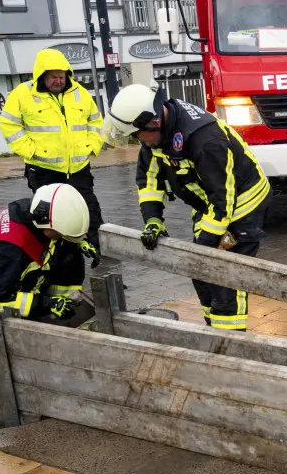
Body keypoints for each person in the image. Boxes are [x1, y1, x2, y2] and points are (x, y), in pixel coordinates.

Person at [104, 84, 270, 332]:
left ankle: (231, 345)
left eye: (135, 135)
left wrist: (207, 242)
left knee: (224, 276)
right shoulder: (155, 136)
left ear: (154, 124)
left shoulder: (205, 139)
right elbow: (149, 181)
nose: (136, 141)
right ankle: (213, 330)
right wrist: (153, 220)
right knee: (200, 271)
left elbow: (222, 199)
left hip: (243, 203)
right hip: (208, 203)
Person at [0, 183, 92, 369]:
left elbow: (58, 237)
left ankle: (58, 316)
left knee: (70, 253)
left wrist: (78, 242)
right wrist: (47, 304)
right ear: (45, 224)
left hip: (14, 282)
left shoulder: (37, 211)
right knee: (32, 343)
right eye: (59, 233)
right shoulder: (9, 250)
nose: (59, 236)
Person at [0, 47, 105, 259]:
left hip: (78, 168)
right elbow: (9, 124)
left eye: (62, 76)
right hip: (44, 169)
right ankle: (54, 257)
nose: (58, 81)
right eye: (53, 77)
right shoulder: (22, 94)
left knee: (89, 209)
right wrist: (30, 150)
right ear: (42, 76)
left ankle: (99, 251)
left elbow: (95, 120)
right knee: (50, 217)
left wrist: (92, 146)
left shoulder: (79, 93)